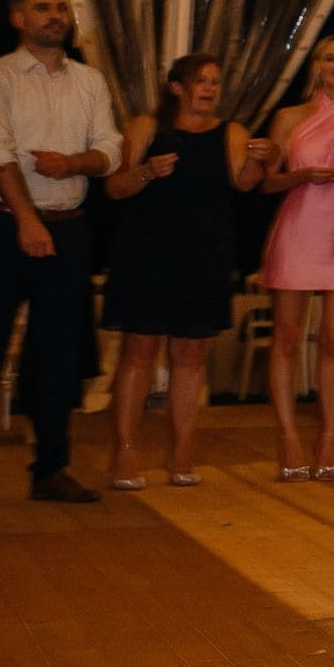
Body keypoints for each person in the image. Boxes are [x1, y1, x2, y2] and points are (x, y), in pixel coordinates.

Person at [0, 0, 122, 511]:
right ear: (17, 18)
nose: (56, 16)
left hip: (69, 224)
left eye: (61, 8)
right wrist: (27, 221)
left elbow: (110, 150)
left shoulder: (90, 81)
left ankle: (51, 468)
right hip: (1, 225)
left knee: (58, 354)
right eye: (43, 8)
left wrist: (74, 164)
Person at [101, 54, 275, 490]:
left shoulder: (231, 132)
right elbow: (115, 187)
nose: (210, 89)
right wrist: (145, 172)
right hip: (146, 252)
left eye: (216, 81)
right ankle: (123, 451)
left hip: (205, 254)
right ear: (177, 87)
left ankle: (181, 451)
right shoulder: (147, 127)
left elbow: (245, 183)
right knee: (139, 350)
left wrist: (263, 158)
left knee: (191, 356)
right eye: (201, 81)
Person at [259, 36, 334, 481]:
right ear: (316, 66)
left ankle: (328, 436)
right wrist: (301, 175)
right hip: (297, 230)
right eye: (331, 58)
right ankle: (288, 437)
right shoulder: (289, 118)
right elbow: (265, 183)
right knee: (287, 336)